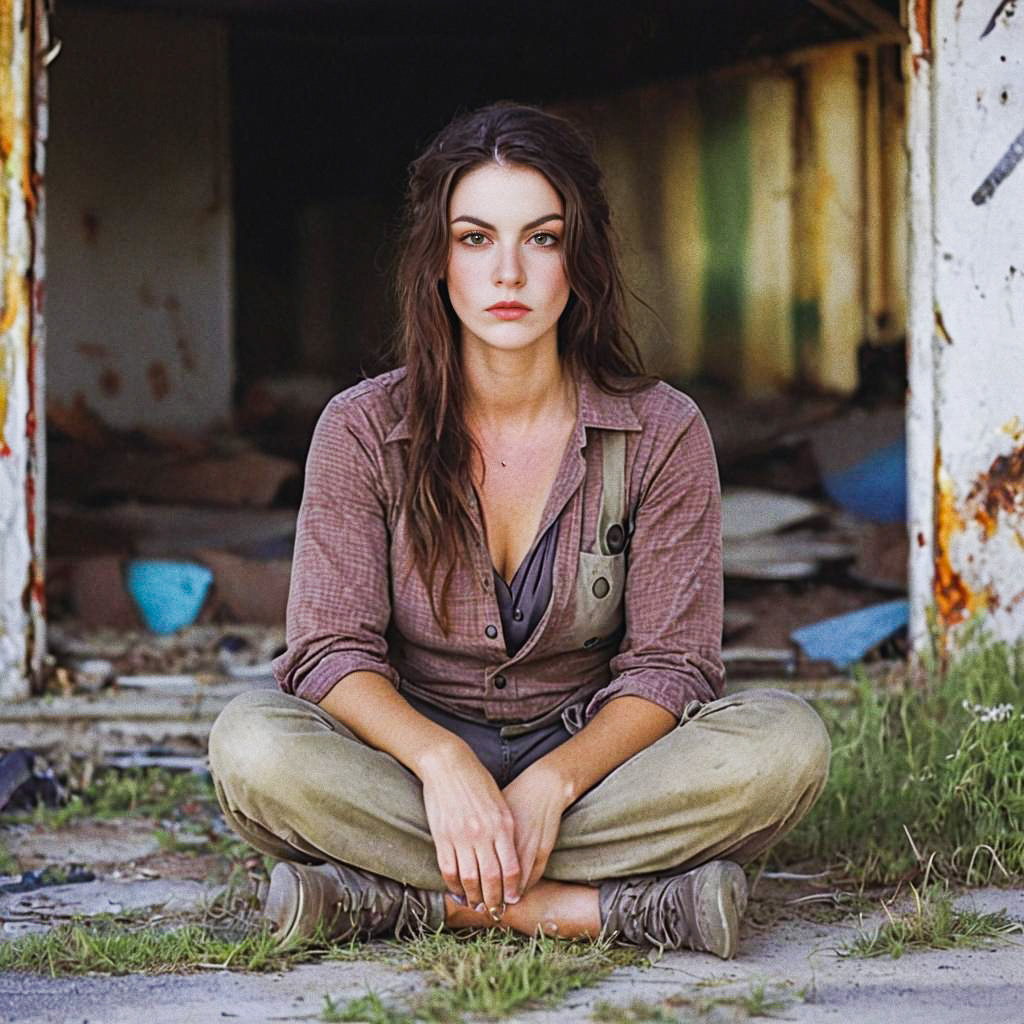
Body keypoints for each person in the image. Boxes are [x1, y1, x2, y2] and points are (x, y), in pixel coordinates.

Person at [208, 102, 830, 960]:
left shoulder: (661, 430)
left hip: (590, 764)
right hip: (408, 763)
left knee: (783, 745)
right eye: (475, 238)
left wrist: (550, 784)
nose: (509, 272)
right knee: (254, 748)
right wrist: (442, 765)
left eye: (541, 238)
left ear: (581, 259)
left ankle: (389, 899)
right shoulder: (360, 429)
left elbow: (674, 666)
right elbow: (329, 653)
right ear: (437, 261)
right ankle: (608, 910)